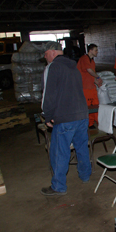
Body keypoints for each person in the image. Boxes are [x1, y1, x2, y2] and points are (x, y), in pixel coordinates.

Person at [41, 42, 91, 196]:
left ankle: (58, 186)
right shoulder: (73, 67)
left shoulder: (54, 67)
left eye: (45, 53)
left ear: (51, 52)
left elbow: (49, 95)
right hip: (82, 114)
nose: (44, 57)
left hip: (66, 117)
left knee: (59, 151)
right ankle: (85, 175)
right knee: (82, 147)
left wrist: (47, 115)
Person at [77, 44, 102, 129]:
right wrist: (98, 77)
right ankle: (89, 124)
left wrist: (97, 82)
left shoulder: (92, 62)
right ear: (90, 50)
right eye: (95, 50)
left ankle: (98, 122)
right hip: (85, 88)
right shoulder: (84, 59)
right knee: (88, 107)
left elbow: (91, 75)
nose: (97, 52)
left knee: (95, 105)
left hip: (91, 87)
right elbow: (89, 70)